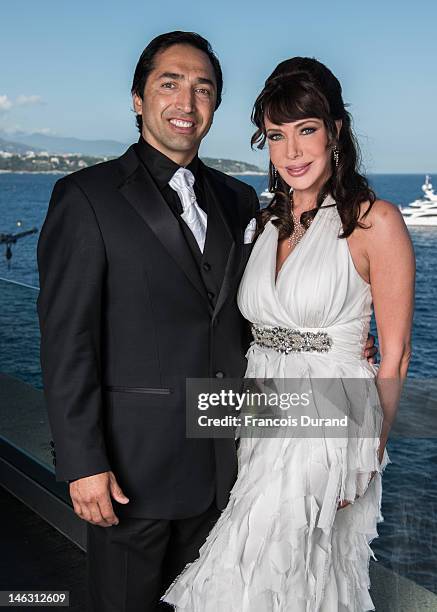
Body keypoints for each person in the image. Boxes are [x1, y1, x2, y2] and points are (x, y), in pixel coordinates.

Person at [162, 57, 415, 611]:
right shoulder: (261, 222)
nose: (293, 152)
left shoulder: (377, 222)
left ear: (336, 132)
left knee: (252, 569)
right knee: (291, 575)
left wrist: (372, 447)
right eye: (277, 136)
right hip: (261, 408)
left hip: (330, 418)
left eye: (307, 130)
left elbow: (394, 356)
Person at [36, 31, 260, 611]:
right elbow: (68, 343)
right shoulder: (85, 197)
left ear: (215, 106)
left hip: (230, 469)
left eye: (203, 89)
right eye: (170, 84)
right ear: (138, 98)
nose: (187, 103)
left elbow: (253, 322)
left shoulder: (240, 200)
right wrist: (83, 463)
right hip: (131, 474)